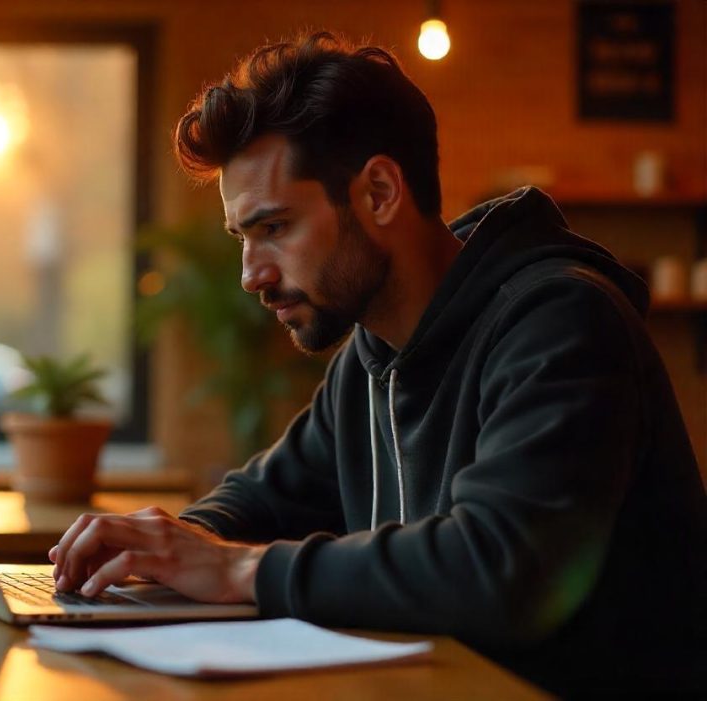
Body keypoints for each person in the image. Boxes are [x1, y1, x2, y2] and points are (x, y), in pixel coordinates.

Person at [49, 32, 707, 696]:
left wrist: (236, 569)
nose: (251, 275)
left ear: (382, 192)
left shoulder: (560, 322)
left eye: (274, 228)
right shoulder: (369, 357)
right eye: (242, 237)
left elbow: (501, 568)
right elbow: (264, 496)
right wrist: (170, 542)